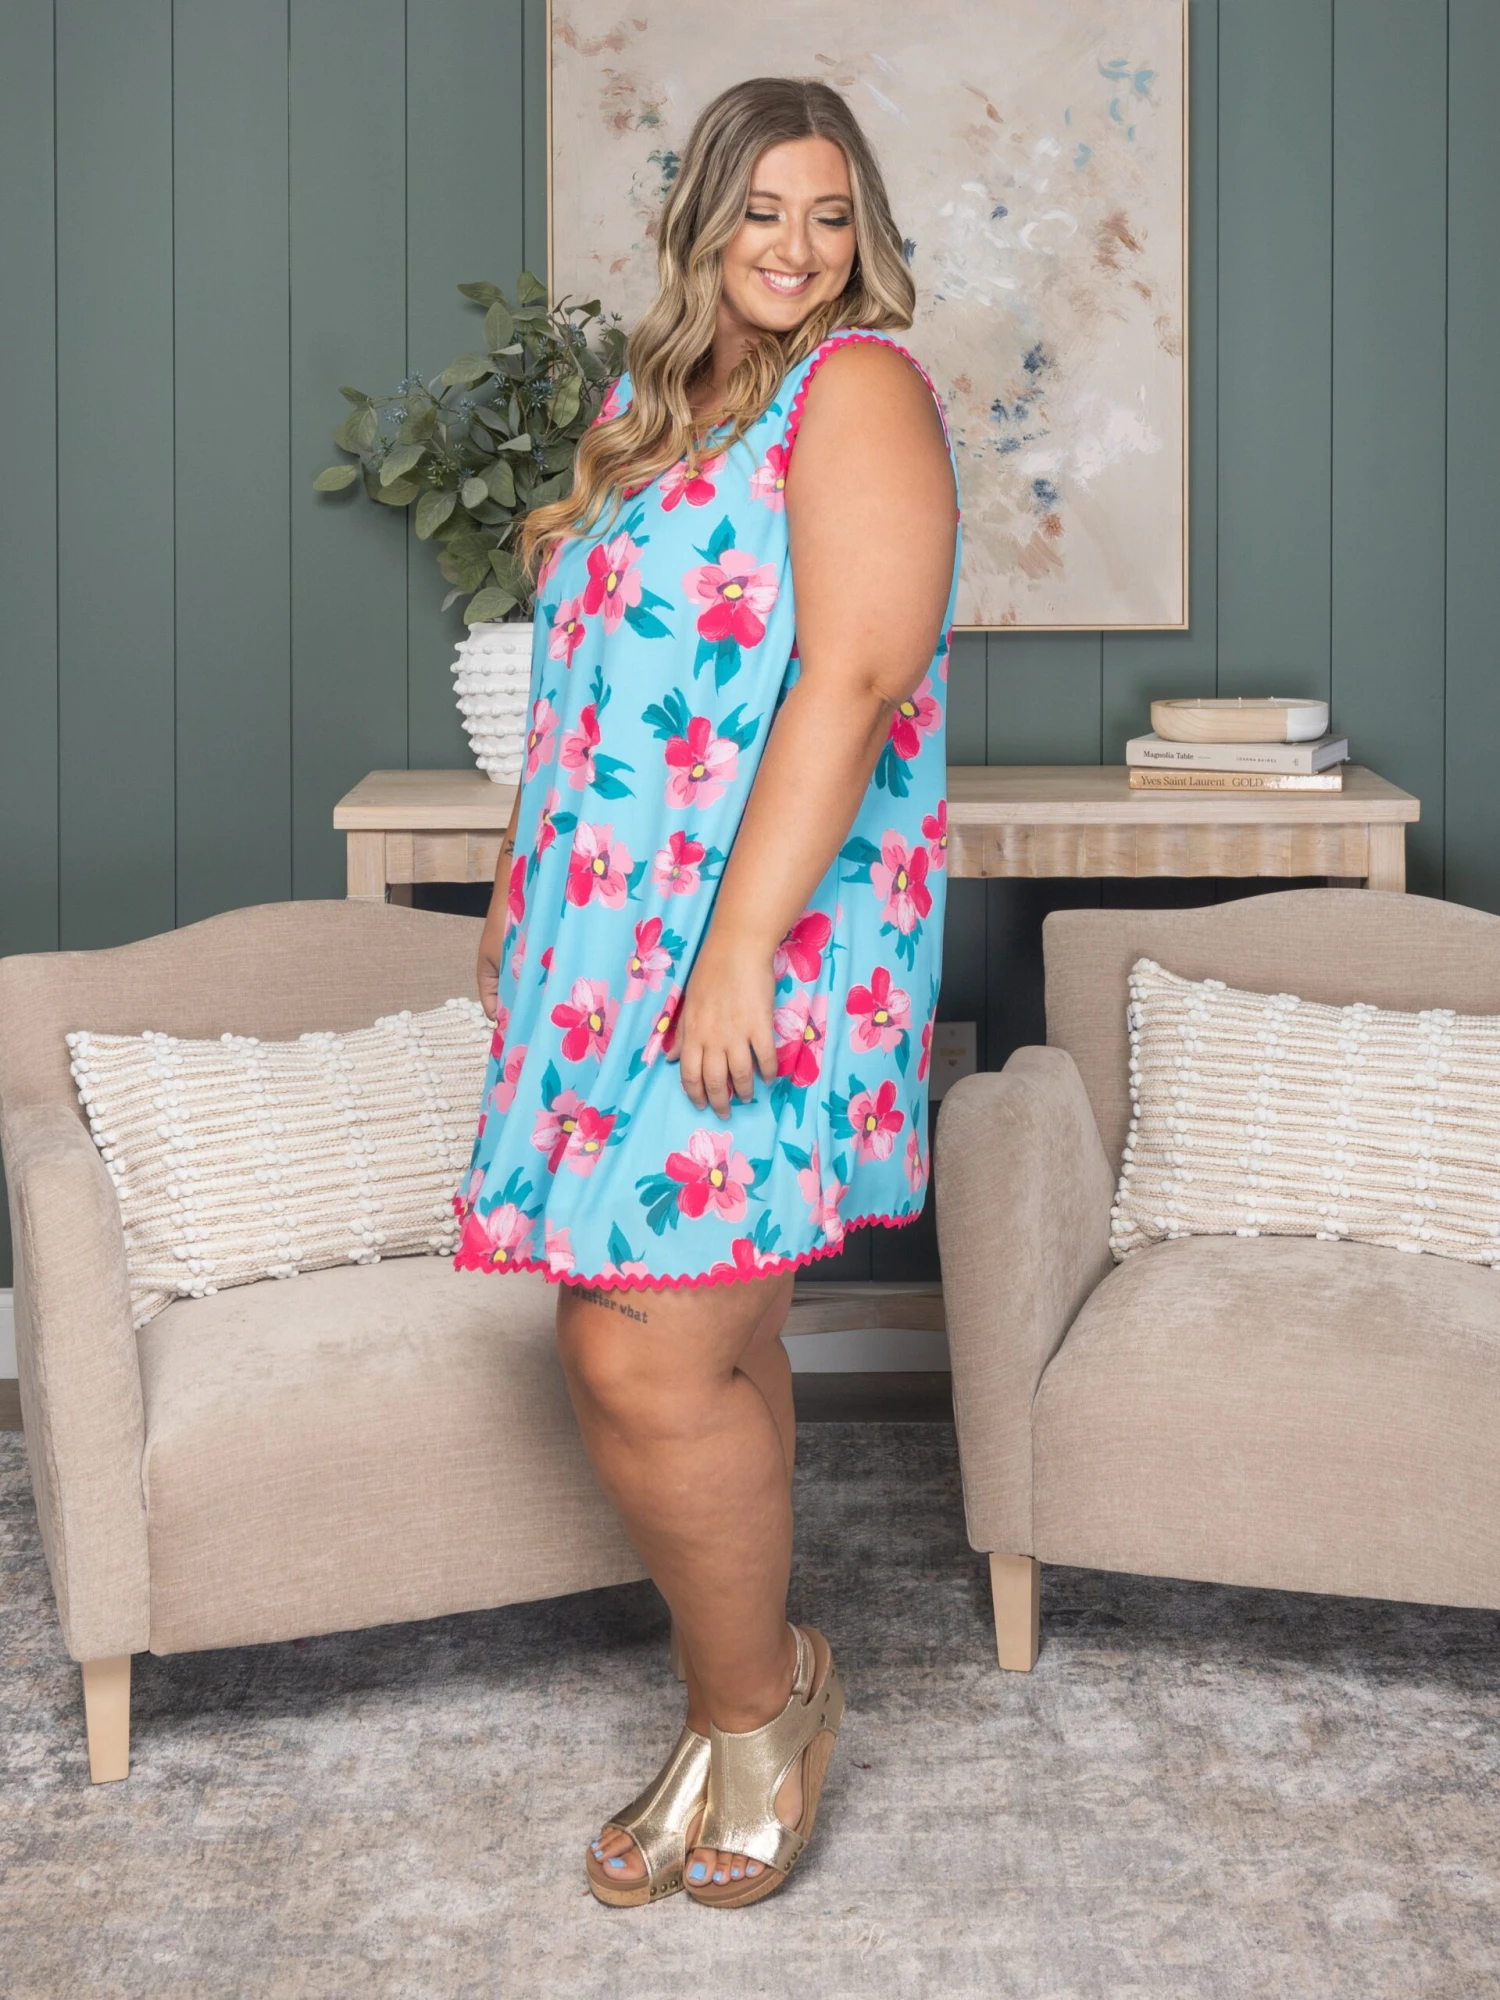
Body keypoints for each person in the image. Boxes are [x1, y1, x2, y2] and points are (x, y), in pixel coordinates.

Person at [452, 74, 961, 1909]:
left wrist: (734, 950)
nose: (796, 249)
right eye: (762, 211)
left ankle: (762, 1709)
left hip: (767, 942)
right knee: (706, 1340)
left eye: (830, 215)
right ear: (702, 222)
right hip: (606, 947)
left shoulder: (858, 388)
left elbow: (853, 676)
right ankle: (730, 1703)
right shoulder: (647, 410)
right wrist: (520, 887)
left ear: (864, 235)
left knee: (638, 1347)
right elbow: (588, 681)